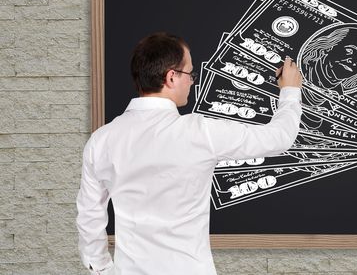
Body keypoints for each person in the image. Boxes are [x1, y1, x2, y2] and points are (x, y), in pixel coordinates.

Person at [76, 32, 302, 275]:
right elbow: (279, 138)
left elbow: (90, 216)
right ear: (171, 77)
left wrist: (101, 269)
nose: (192, 81)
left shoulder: (102, 140)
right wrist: (290, 90)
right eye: (189, 73)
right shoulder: (200, 132)